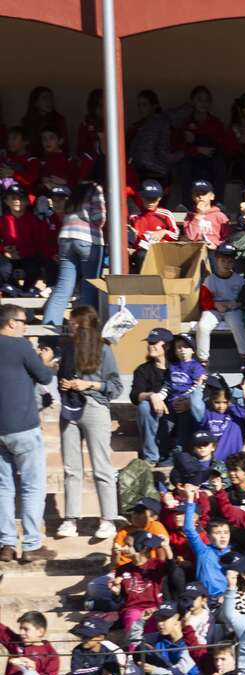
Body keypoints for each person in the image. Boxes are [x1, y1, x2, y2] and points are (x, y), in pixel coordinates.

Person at [56, 305, 122, 540]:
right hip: (68, 407)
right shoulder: (67, 349)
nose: (71, 327)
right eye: (70, 324)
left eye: (75, 323)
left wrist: (89, 385)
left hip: (95, 408)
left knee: (101, 466)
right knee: (71, 468)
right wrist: (65, 385)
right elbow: (59, 377)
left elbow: (115, 386)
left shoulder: (103, 349)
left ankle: (108, 518)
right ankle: (70, 518)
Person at [0, 305, 54, 561]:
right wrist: (45, 362)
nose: (24, 326)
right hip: (23, 426)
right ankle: (32, 544)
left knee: (3, 487)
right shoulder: (20, 345)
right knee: (33, 486)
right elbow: (44, 377)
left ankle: (7, 544)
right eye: (22, 322)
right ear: (10, 323)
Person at [42, 181, 105, 328]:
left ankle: (48, 331)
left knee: (63, 287)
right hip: (88, 239)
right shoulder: (96, 188)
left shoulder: (77, 189)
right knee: (89, 285)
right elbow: (99, 217)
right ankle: (85, 328)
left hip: (65, 238)